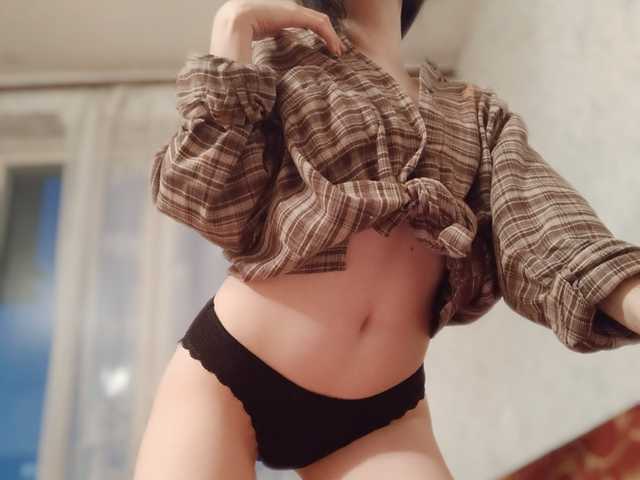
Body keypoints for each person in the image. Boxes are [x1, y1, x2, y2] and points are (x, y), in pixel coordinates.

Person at [134, 0, 640, 478]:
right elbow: (201, 197)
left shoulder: (477, 115)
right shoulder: (282, 61)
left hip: (382, 419)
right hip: (229, 375)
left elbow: (545, 231)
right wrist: (233, 24)